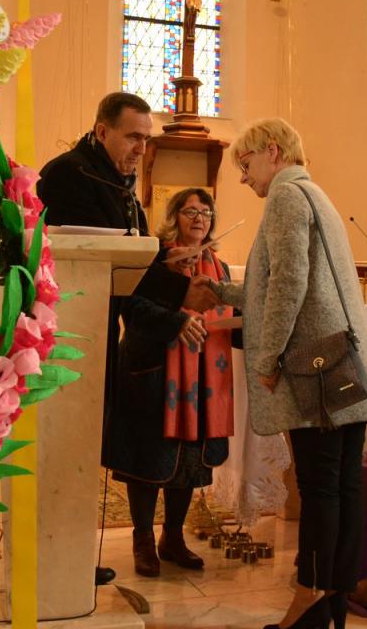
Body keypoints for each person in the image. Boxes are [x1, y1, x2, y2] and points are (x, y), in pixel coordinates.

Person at [36, 92, 218, 585]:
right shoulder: (72, 176)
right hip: (68, 332)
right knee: (73, 450)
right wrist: (178, 290)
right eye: (133, 136)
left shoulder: (115, 181)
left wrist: (166, 264)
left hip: (94, 333)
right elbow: (87, 259)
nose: (142, 148)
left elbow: (127, 256)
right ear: (102, 131)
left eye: (146, 138)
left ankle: (73, 557)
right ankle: (62, 561)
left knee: (83, 448)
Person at [209, 118, 367, 629]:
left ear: (272, 150)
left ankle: (309, 597)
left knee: (320, 488)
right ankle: (334, 599)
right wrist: (217, 290)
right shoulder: (315, 195)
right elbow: (270, 287)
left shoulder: (286, 196)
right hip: (343, 362)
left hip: (315, 370)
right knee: (344, 485)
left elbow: (289, 283)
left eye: (245, 164)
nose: (243, 177)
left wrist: (266, 359)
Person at [102, 188, 236, 577]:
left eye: (206, 212)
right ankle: (143, 540)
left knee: (189, 462)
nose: (199, 218)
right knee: (146, 460)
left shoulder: (221, 269)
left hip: (202, 378)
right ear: (174, 216)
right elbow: (132, 308)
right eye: (190, 211)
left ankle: (173, 537)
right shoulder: (152, 259)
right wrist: (176, 322)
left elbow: (227, 314)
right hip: (152, 372)